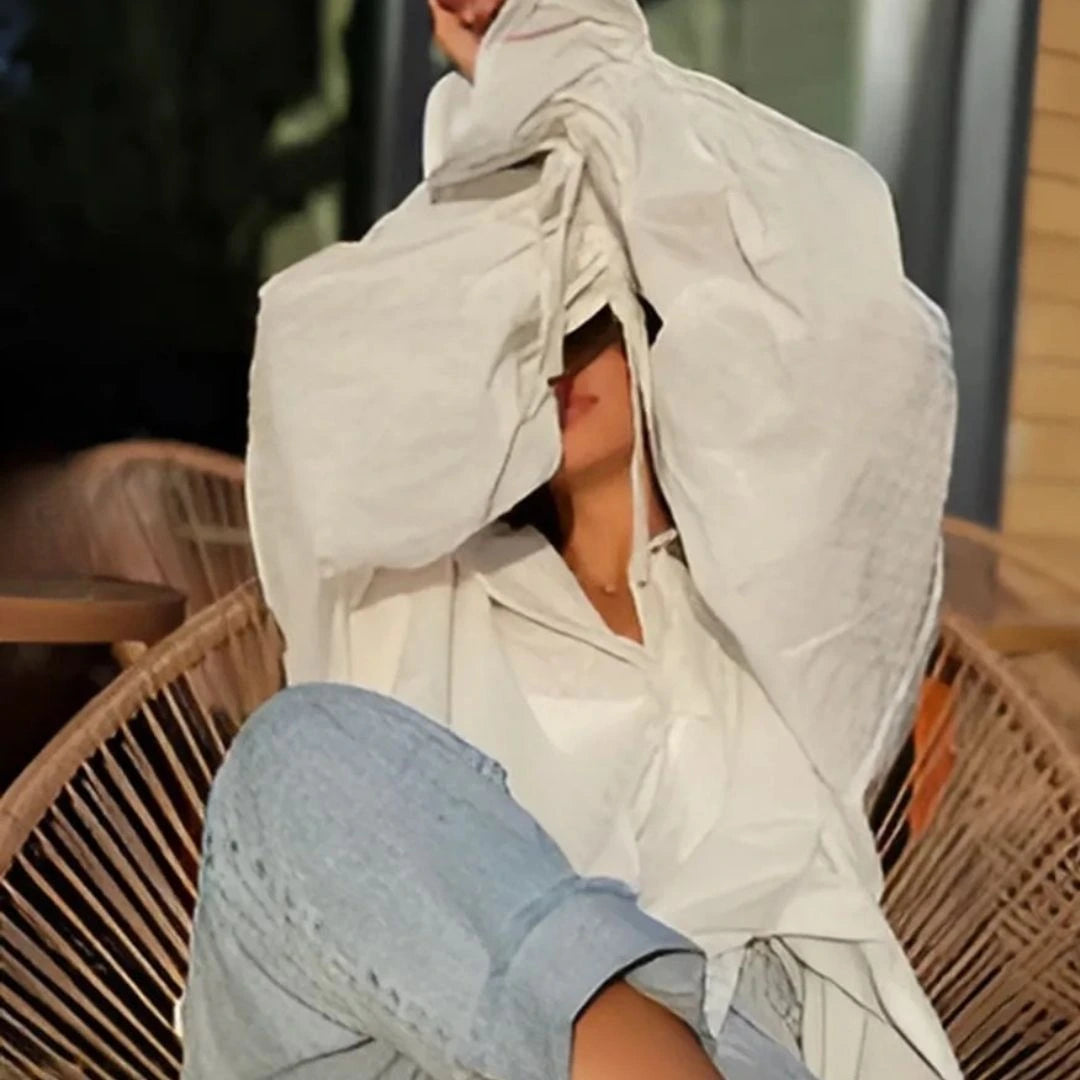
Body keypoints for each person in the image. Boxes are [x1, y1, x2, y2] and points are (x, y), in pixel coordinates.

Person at [182, 3, 961, 1079]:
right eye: (517, 323)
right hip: (423, 1046)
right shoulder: (412, 579)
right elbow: (323, 373)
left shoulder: (769, 613)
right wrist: (523, 84)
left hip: (726, 1021)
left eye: (586, 311)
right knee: (291, 761)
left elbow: (858, 325)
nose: (549, 348)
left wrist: (574, 49)